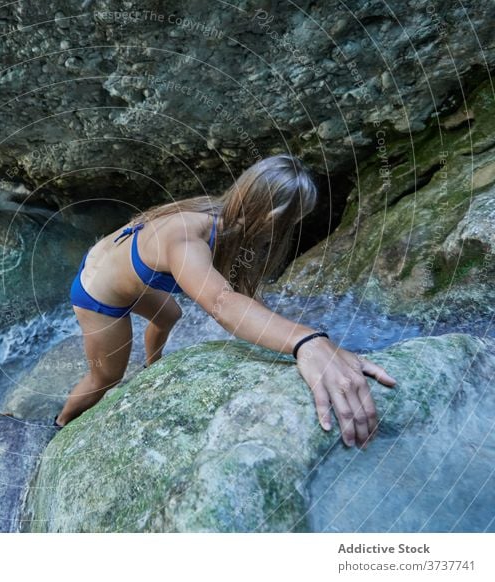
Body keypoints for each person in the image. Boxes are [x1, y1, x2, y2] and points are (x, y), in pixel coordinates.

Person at [58, 154, 397, 449]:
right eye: (293, 220)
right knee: (105, 379)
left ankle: (151, 367)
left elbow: (236, 297)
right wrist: (306, 340)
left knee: (169, 315)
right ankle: (59, 425)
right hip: (97, 294)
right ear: (271, 217)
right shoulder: (187, 240)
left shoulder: (221, 210)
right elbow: (222, 304)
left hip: (115, 262)